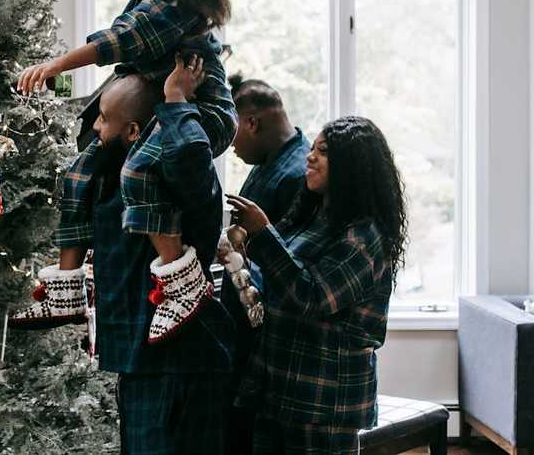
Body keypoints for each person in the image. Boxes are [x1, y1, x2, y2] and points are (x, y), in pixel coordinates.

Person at [15, 0, 236, 340]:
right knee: (77, 175)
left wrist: (54, 66)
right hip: (158, 105)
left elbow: (111, 44)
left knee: (138, 170)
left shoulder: (171, 8)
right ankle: (66, 291)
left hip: (200, 111)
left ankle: (182, 281)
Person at [22, 68, 235, 453]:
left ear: (135, 131)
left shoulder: (174, 176)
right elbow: (91, 129)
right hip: (138, 361)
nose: (97, 128)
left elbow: (190, 152)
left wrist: (175, 101)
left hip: (179, 364)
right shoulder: (110, 175)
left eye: (106, 120)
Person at [227, 116, 408, 455]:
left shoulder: (365, 235)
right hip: (279, 387)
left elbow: (313, 297)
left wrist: (263, 232)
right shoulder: (313, 217)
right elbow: (281, 278)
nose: (310, 157)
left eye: (323, 152)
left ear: (353, 167)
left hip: (323, 401)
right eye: (312, 149)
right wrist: (242, 250)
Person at [223, 74, 310, 455]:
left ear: (252, 122)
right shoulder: (270, 160)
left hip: (264, 333)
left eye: (232, 132)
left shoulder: (296, 177)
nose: (231, 146)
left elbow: (288, 264)